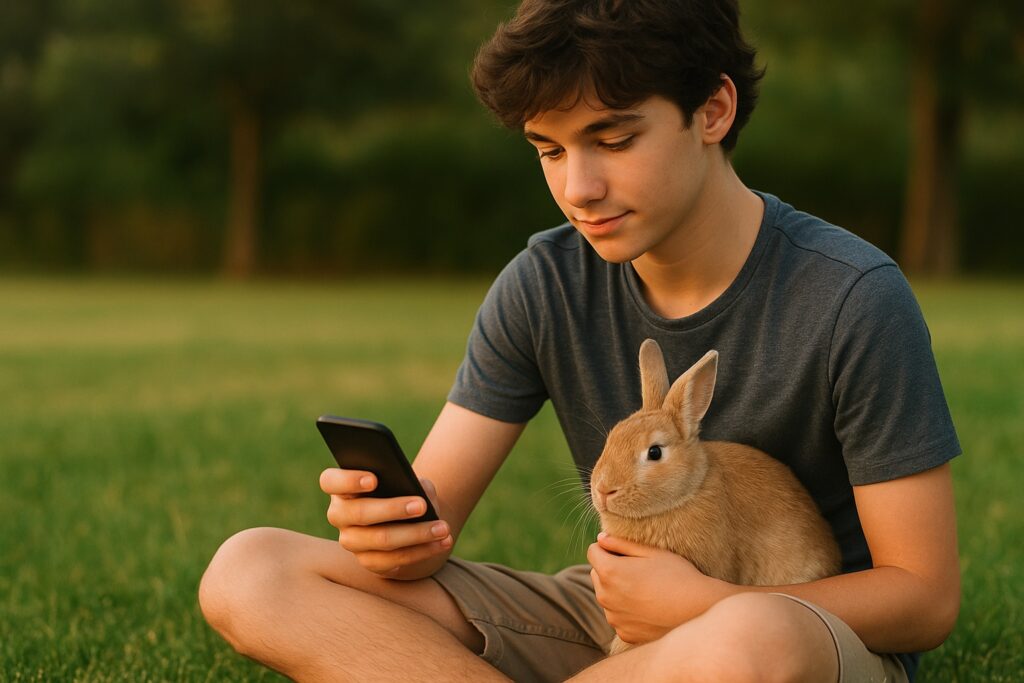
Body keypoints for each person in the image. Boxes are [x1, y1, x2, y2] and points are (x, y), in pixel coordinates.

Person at [198, 1, 961, 681]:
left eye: (613, 139)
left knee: (744, 639)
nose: (578, 188)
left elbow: (923, 600)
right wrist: (393, 527)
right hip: (616, 615)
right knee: (250, 570)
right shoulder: (545, 281)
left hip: (799, 633)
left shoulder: (853, 296)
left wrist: (711, 601)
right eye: (550, 150)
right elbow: (432, 524)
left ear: (713, 110)